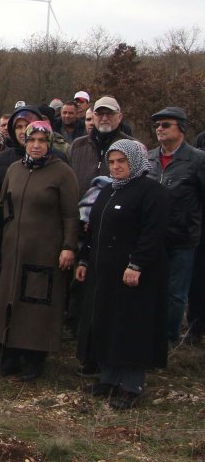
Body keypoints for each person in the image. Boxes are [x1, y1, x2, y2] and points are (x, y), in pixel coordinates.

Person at [75, 139, 169, 409]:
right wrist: (84, 259)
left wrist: (137, 264)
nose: (116, 167)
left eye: (122, 162)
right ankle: (109, 378)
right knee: (107, 322)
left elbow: (154, 234)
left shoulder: (152, 192)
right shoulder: (108, 191)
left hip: (136, 276)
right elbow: (93, 231)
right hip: (104, 272)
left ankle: (131, 384)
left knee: (131, 327)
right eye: (112, 162)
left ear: (135, 162)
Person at [0, 121, 80, 381]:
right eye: (32, 140)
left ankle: (34, 360)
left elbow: (71, 215)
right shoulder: (14, 169)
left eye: (42, 141)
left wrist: (68, 247)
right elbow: (3, 205)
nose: (36, 145)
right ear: (24, 142)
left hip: (45, 251)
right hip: (12, 249)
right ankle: (10, 355)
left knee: (36, 306)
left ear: (49, 143)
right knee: (9, 300)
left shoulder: (62, 173)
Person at [145, 106, 205, 346]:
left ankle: (168, 340)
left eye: (165, 124)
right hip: (152, 236)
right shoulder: (149, 158)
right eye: (157, 125)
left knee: (176, 295)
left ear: (181, 127)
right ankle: (149, 336)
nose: (160, 129)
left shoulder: (198, 160)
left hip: (183, 238)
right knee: (150, 290)